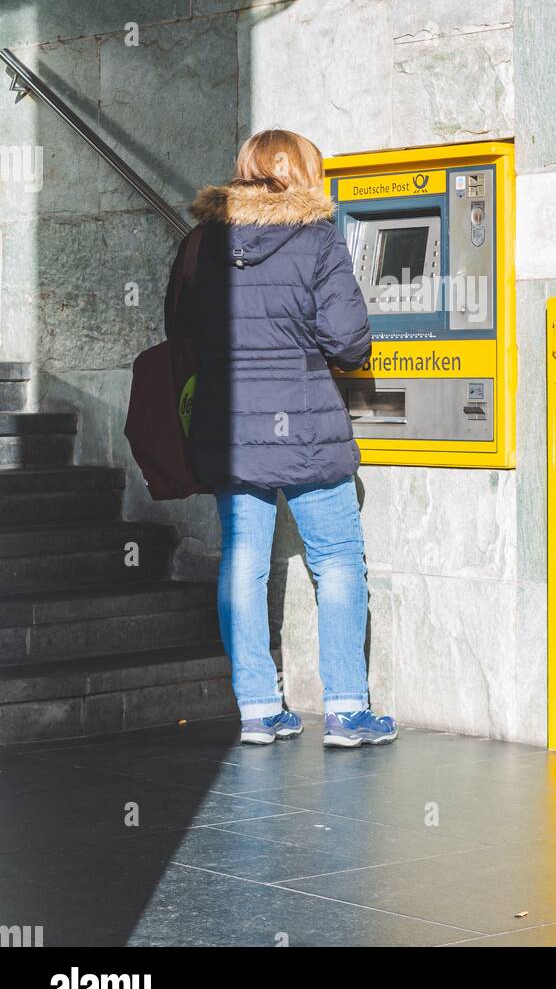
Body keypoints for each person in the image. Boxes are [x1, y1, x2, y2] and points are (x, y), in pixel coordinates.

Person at [167, 128, 397, 749]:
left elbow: (178, 328)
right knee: (338, 560)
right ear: (303, 173)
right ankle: (348, 711)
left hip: (228, 425)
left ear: (245, 169)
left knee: (243, 563)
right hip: (306, 427)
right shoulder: (319, 238)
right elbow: (348, 342)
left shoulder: (201, 241)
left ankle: (259, 709)